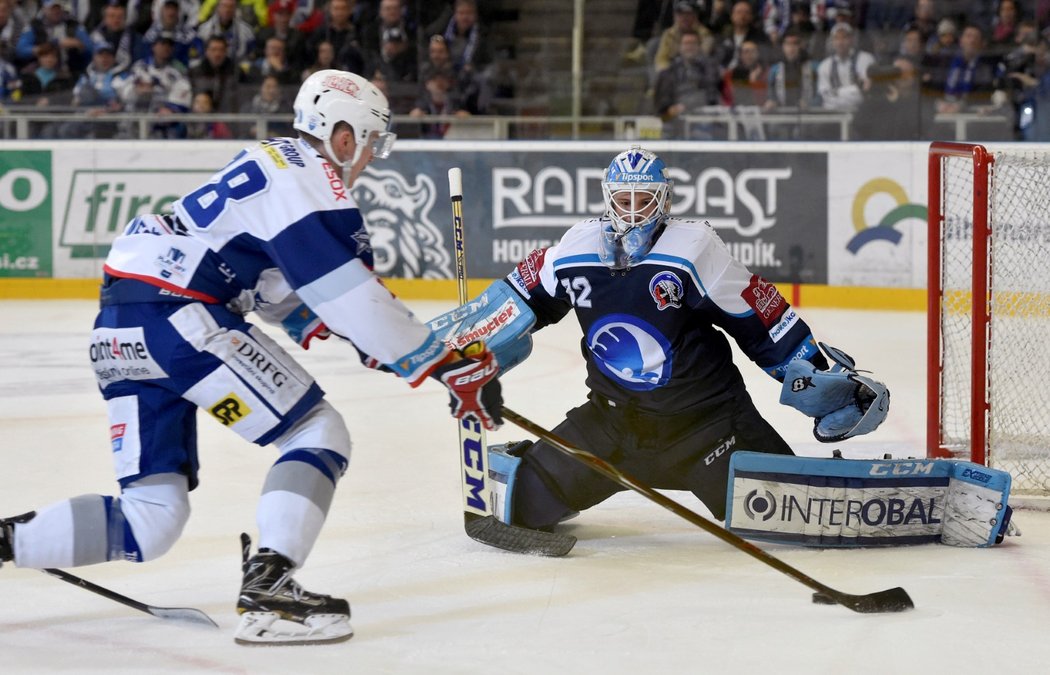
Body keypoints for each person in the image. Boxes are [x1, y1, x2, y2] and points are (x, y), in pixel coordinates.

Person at [0, 69, 502, 646]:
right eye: (370, 143)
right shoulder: (311, 179)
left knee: (151, 519)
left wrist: (376, 345)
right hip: (181, 321)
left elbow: (281, 297)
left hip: (119, 334)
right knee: (318, 434)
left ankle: (5, 541)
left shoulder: (270, 164)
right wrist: (444, 363)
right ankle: (271, 590)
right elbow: (350, 297)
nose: (368, 159)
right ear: (344, 137)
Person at [429, 145, 888, 539]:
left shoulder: (693, 249)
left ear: (663, 200)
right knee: (519, 508)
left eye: (644, 199)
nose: (633, 211)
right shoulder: (575, 248)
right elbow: (519, 297)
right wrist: (469, 342)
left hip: (706, 427)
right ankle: (537, 468)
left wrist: (821, 375)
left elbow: (761, 316)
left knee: (799, 515)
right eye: (623, 199)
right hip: (612, 426)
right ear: (607, 199)